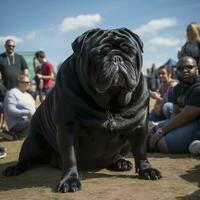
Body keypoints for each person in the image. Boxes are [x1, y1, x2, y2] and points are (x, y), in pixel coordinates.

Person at [148, 56, 200, 154]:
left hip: (197, 123)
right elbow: (175, 113)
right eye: (180, 68)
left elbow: (186, 116)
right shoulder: (177, 88)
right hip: (188, 120)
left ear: (196, 68)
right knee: (149, 131)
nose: (185, 70)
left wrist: (161, 131)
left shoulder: (198, 87)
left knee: (163, 144)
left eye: (189, 67)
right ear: (177, 71)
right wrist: (159, 128)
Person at [1, 75, 36, 140]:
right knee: (34, 122)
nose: (29, 84)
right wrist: (27, 113)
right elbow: (10, 110)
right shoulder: (12, 93)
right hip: (16, 123)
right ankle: (15, 135)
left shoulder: (28, 95)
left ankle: (14, 135)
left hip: (28, 120)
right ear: (20, 83)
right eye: (27, 82)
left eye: (29, 82)